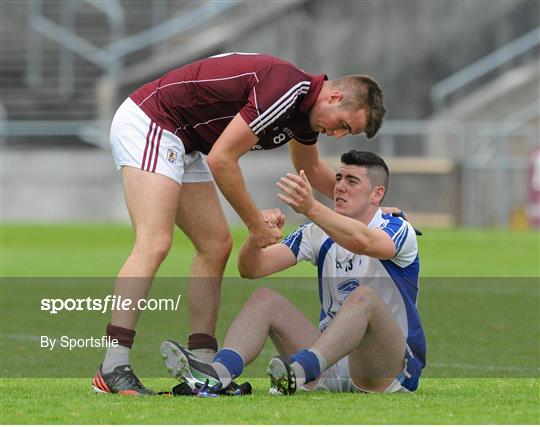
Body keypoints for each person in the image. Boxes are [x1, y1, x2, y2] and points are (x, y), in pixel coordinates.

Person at [91, 53, 386, 395]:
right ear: (334, 97)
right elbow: (222, 160)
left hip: (185, 140)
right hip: (152, 120)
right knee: (155, 242)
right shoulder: (286, 89)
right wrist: (254, 224)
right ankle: (113, 366)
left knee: (216, 245)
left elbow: (313, 169)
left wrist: (371, 209)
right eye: (344, 124)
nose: (336, 134)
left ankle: (203, 365)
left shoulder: (305, 114)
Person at [160, 150, 426, 395]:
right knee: (264, 298)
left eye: (352, 181)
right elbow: (251, 269)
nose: (340, 186)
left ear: (377, 194)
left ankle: (296, 374)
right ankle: (216, 377)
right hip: (328, 361)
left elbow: (365, 243)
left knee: (364, 297)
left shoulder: (397, 228)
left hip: (385, 368)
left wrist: (311, 207)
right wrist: (257, 236)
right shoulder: (316, 232)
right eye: (338, 177)